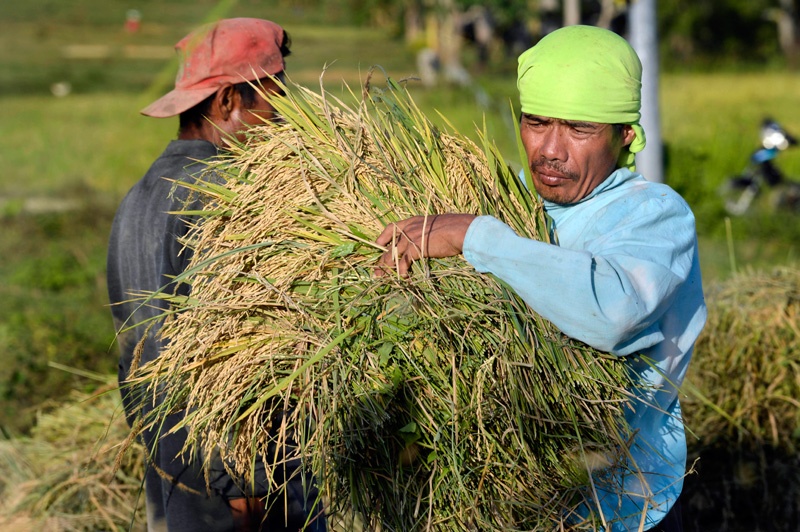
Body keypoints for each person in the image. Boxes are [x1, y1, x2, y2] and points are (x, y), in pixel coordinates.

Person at [376, 25, 706, 532]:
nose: (550, 149)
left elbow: (612, 311)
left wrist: (476, 239)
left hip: (625, 506)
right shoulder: (522, 211)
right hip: (516, 504)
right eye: (536, 122)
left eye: (579, 129)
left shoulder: (654, 215)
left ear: (625, 135)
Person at [107, 18, 325, 531]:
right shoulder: (230, 198)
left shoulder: (135, 201)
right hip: (245, 484)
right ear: (228, 101)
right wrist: (243, 482)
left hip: (172, 470)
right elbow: (243, 351)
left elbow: (140, 356)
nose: (285, 120)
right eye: (275, 98)